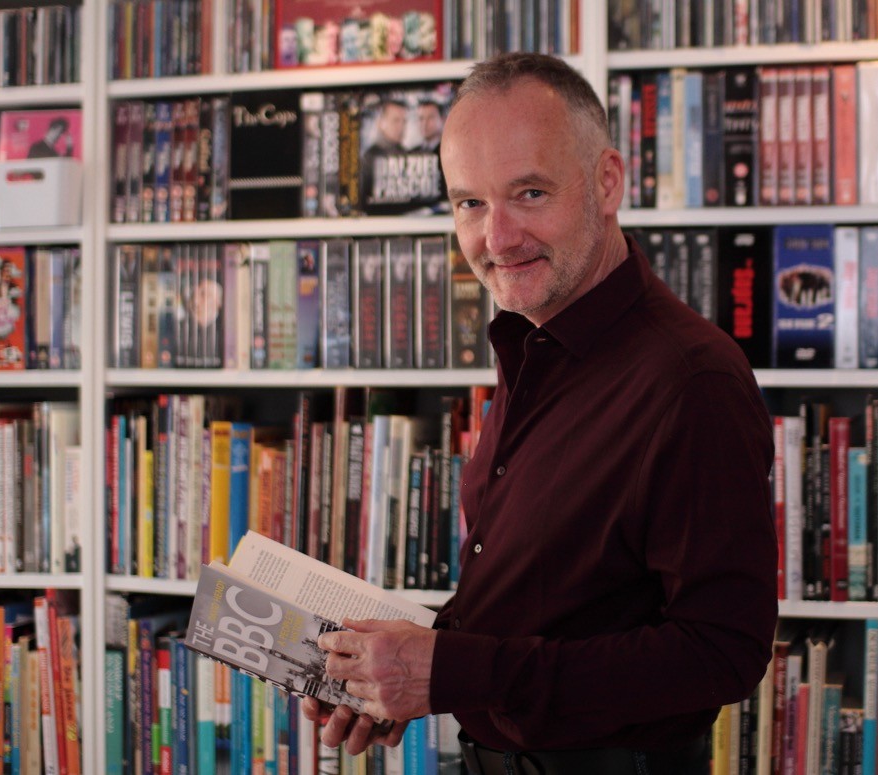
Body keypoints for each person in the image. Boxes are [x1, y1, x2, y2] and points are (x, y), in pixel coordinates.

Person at [305, 52, 776, 774]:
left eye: (528, 193)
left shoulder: (691, 379)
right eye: (469, 202)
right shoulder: (534, 341)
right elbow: (552, 599)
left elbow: (722, 653)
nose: (496, 239)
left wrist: (452, 671)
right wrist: (393, 668)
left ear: (607, 181)